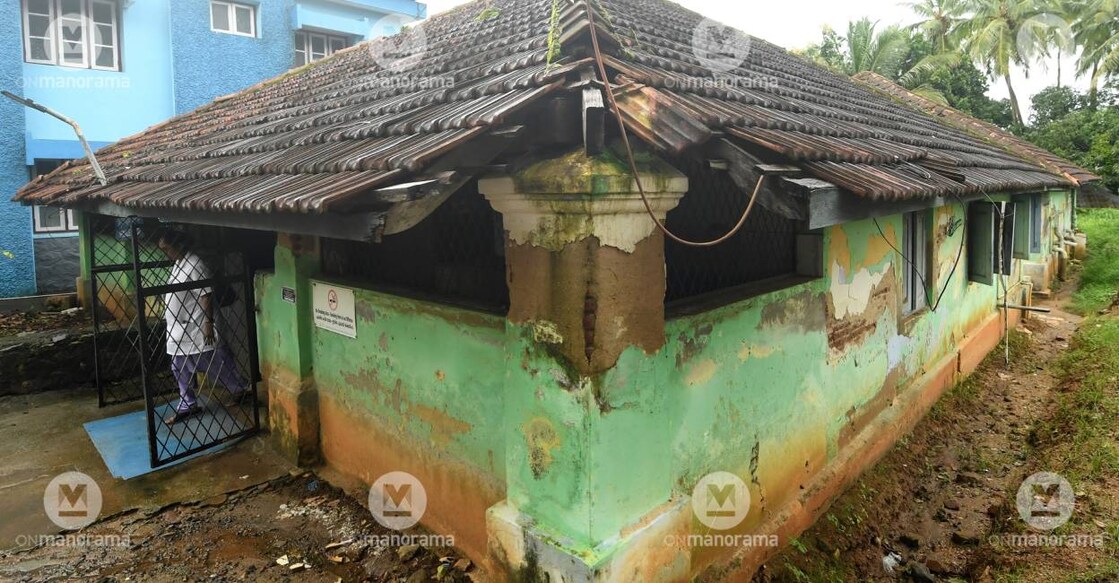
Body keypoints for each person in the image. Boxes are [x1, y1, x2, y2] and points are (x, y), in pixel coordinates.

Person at [157, 230, 249, 425]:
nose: (166, 253)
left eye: (167, 248)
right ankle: (188, 404)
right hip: (180, 330)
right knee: (178, 366)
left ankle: (240, 389)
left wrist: (208, 323)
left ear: (179, 245)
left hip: (197, 326)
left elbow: (205, 294)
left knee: (216, 362)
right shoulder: (180, 263)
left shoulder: (195, 264)